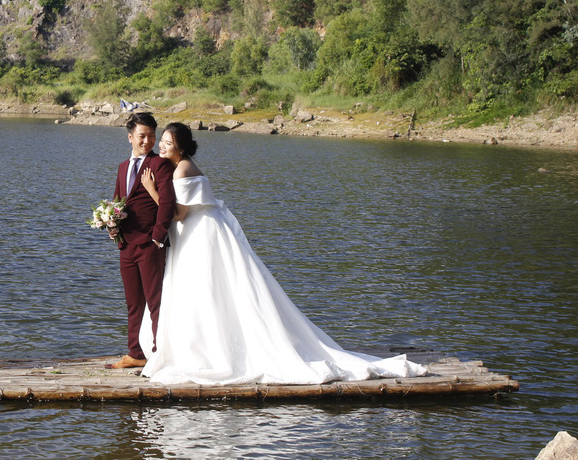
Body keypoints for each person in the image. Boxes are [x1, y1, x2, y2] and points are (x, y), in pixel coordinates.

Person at [137, 122, 427, 385]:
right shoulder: (179, 166)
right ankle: (204, 347)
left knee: (207, 289)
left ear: (182, 147)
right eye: (162, 140)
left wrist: (151, 189)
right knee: (207, 291)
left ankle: (210, 353)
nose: (162, 145)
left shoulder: (183, 169)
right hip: (198, 232)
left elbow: (178, 213)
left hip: (199, 233)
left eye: (168, 142)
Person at [105, 112, 176, 370]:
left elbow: (167, 204)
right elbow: (117, 202)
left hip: (150, 244)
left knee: (155, 301)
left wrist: (158, 238)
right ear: (130, 137)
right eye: (142, 136)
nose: (147, 141)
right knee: (134, 303)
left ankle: (158, 353)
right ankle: (136, 353)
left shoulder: (160, 165)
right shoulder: (123, 167)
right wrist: (112, 226)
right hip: (126, 245)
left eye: (151, 136)